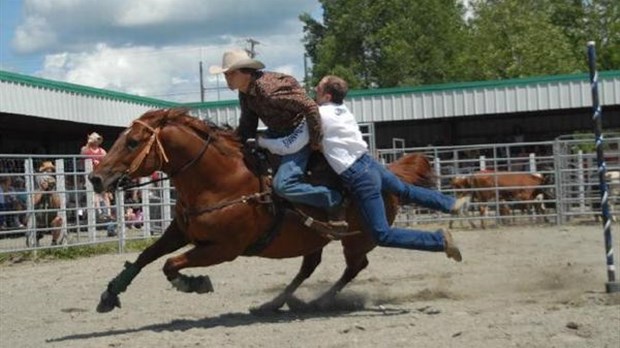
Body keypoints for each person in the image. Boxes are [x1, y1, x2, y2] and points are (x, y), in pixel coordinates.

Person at [315, 75, 469, 261]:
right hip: (370, 163)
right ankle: (449, 203)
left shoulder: (321, 114)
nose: (315, 90)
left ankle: (439, 241)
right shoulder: (343, 110)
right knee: (405, 190)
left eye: (319, 88)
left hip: (359, 175)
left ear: (327, 96)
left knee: (382, 234)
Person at [209, 49, 347, 230]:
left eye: (230, 73)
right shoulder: (245, 92)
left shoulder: (269, 89)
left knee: (283, 185)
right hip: (276, 133)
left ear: (245, 72)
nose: (226, 77)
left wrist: (314, 141)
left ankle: (333, 199)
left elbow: (310, 107)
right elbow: (247, 125)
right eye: (225, 74)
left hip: (298, 133)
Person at [80, 132, 111, 216]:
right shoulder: (86, 149)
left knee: (104, 193)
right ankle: (99, 212)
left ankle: (108, 212)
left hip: (100, 174)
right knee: (95, 193)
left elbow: (107, 161)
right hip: (90, 174)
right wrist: (88, 143)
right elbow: (82, 153)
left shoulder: (102, 151)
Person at [34, 161, 63, 245]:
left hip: (50, 217)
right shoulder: (35, 186)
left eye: (51, 170)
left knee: (58, 220)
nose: (49, 173)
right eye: (46, 170)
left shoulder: (55, 188)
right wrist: (42, 189)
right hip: (38, 217)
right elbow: (34, 202)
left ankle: (54, 242)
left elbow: (58, 205)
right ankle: (35, 240)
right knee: (32, 220)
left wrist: (51, 190)